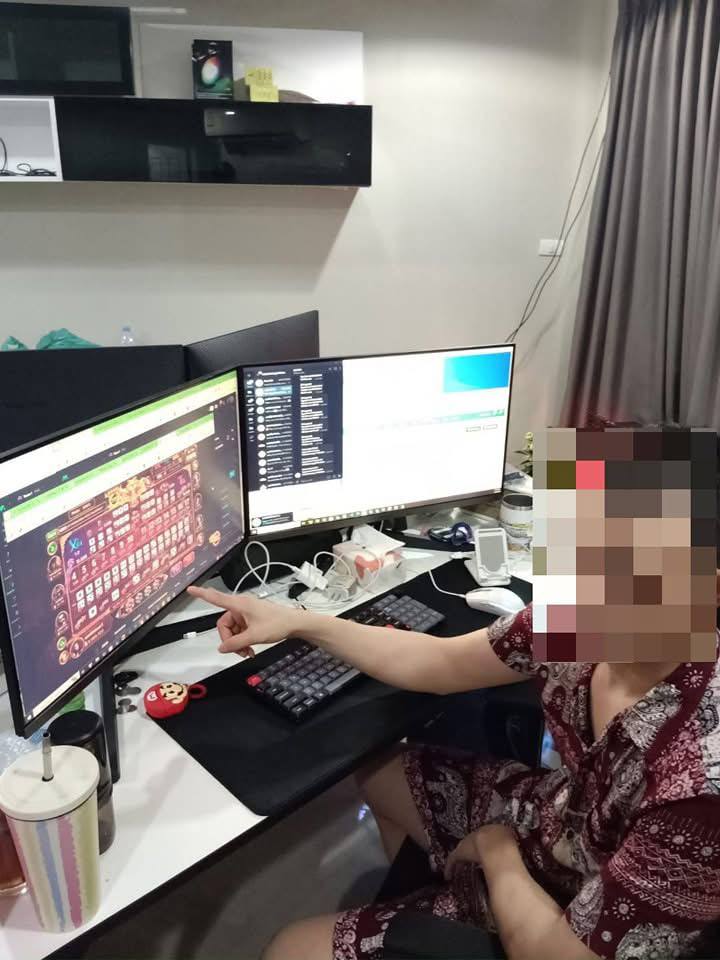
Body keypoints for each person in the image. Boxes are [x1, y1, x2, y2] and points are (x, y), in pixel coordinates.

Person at [189, 425, 720, 960]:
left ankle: (452, 921)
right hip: (558, 823)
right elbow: (438, 662)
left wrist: (495, 851)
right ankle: (442, 906)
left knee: (290, 948)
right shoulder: (581, 617)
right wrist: (299, 621)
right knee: (380, 771)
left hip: (584, 925)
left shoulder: (699, 789)